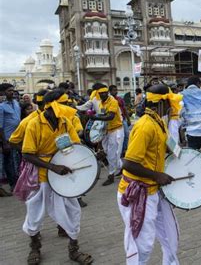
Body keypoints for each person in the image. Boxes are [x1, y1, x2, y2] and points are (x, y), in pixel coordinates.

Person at [21, 89, 93, 264]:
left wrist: (89, 156)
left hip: (63, 176)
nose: (69, 106)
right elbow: (27, 154)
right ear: (53, 105)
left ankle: (73, 250)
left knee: (73, 211)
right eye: (65, 103)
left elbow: (74, 146)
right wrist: (52, 166)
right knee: (35, 213)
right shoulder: (34, 124)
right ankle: (35, 247)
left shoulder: (65, 122)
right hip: (42, 176)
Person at [117, 84, 179, 265]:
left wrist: (197, 155)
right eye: (169, 103)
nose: (171, 108)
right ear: (162, 103)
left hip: (154, 191)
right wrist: (157, 176)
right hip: (139, 192)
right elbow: (128, 163)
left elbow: (172, 148)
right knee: (142, 246)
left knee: (170, 237)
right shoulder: (145, 126)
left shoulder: (159, 123)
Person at [88, 84, 124, 186]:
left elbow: (110, 117)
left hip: (116, 130)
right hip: (107, 131)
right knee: (108, 153)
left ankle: (111, 175)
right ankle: (124, 167)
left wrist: (96, 118)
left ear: (107, 93)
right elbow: (102, 118)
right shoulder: (101, 104)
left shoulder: (113, 101)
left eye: (105, 92)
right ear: (98, 94)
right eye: (101, 93)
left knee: (113, 154)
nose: (103, 94)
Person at [0, 83, 21, 190]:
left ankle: (19, 182)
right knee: (9, 162)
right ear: (3, 92)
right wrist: (4, 142)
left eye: (12, 90)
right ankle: (13, 184)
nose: (12, 92)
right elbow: (0, 126)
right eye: (9, 90)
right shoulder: (1, 106)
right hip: (8, 139)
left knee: (18, 160)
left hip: (18, 137)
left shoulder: (16, 103)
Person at [109, 85, 131, 156]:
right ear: (110, 91)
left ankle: (124, 150)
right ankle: (118, 152)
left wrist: (128, 119)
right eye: (114, 90)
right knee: (117, 138)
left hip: (123, 119)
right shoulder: (108, 100)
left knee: (126, 135)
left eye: (116, 90)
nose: (116, 91)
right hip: (114, 122)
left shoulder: (120, 99)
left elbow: (124, 109)